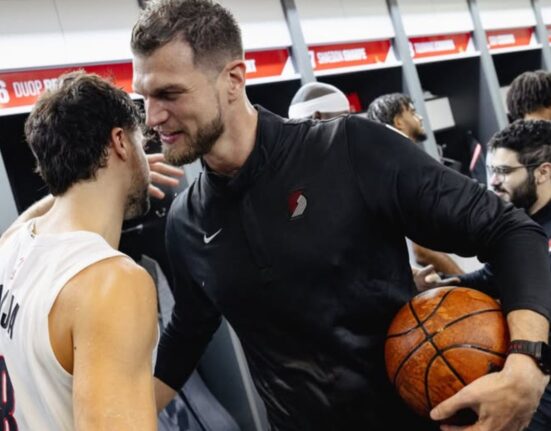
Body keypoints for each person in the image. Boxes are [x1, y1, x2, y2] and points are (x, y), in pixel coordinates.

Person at [131, 1, 551, 429]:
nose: (152, 117)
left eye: (169, 94)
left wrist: (527, 364)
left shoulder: (349, 148)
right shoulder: (186, 221)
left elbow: (510, 231)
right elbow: (187, 333)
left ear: (234, 79)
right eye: (143, 97)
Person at [0, 71, 159, 430]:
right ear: (120, 141)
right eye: (142, 144)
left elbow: (36, 219)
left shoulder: (11, 247)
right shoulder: (112, 283)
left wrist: (74, 179)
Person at [421, 120, 551, 430]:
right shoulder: (519, 231)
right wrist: (439, 286)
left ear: (543, 172)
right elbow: (490, 277)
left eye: (504, 171)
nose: (492, 181)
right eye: (490, 170)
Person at [366, 92, 463, 277]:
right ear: (398, 122)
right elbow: (422, 251)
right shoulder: (400, 168)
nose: (419, 117)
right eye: (412, 112)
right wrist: (466, 280)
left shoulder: (383, 167)